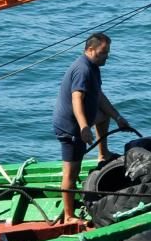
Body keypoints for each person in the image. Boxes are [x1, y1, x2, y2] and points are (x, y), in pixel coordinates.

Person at [52, 33, 130, 224]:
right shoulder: (83, 70)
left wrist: (118, 117)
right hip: (71, 127)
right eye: (103, 52)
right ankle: (69, 216)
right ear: (90, 50)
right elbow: (76, 98)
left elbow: (99, 97)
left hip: (85, 119)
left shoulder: (94, 68)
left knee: (103, 117)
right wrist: (84, 127)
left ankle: (103, 154)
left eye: (108, 52)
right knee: (71, 173)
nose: (107, 56)